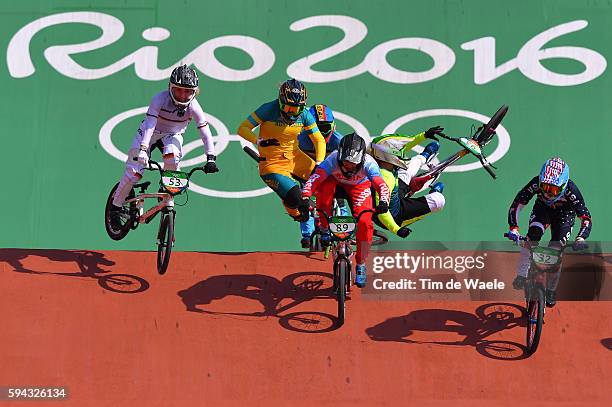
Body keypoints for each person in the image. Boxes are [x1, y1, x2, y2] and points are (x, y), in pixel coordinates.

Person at [109, 64, 218, 230]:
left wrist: (211, 157)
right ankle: (115, 208)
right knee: (134, 174)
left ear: (194, 91)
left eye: (188, 91)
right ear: (170, 87)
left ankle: (164, 186)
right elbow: (150, 125)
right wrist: (144, 149)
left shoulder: (194, 106)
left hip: (172, 135)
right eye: (178, 90)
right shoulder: (159, 99)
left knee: (172, 157)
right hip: (149, 133)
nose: (182, 95)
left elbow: (205, 132)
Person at [301, 133, 390, 288]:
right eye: (346, 161)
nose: (349, 165)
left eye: (354, 163)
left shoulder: (369, 163)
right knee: (323, 191)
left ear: (362, 159)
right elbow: (315, 179)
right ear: (340, 155)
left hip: (359, 187)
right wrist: (305, 196)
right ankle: (324, 228)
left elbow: (381, 184)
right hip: (334, 183)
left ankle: (361, 264)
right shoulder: (332, 159)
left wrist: (383, 201)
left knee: (365, 222)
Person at [506, 157, 592, 307]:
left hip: (564, 216)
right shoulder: (535, 183)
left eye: (553, 190)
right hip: (542, 211)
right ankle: (521, 274)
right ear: (540, 181)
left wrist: (581, 238)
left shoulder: (572, 189)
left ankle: (551, 290)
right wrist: (513, 228)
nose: (548, 194)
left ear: (564, 186)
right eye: (545, 187)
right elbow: (518, 204)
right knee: (530, 239)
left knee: (556, 252)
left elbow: (585, 217)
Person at [237, 79, 325, 221]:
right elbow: (243, 128)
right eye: (288, 108)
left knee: (328, 181)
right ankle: (295, 213)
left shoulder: (304, 114)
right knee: (295, 198)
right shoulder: (268, 109)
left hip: (295, 157)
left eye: (296, 108)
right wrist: (258, 141)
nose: (291, 113)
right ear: (280, 101)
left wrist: (319, 164)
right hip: (272, 164)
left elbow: (318, 140)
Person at [368, 127, 446, 238]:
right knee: (439, 201)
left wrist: (424, 135)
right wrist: (397, 230)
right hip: (395, 215)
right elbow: (382, 213)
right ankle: (434, 193)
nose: (401, 154)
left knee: (408, 168)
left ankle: (425, 155)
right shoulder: (384, 179)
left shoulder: (380, 159)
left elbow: (404, 148)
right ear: (388, 155)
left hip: (394, 193)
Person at [297, 104, 348, 248]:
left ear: (334, 127)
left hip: (333, 173)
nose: (320, 134)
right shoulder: (299, 140)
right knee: (304, 199)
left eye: (324, 128)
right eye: (316, 129)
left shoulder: (339, 142)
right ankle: (307, 234)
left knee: (340, 198)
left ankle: (343, 229)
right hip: (309, 172)